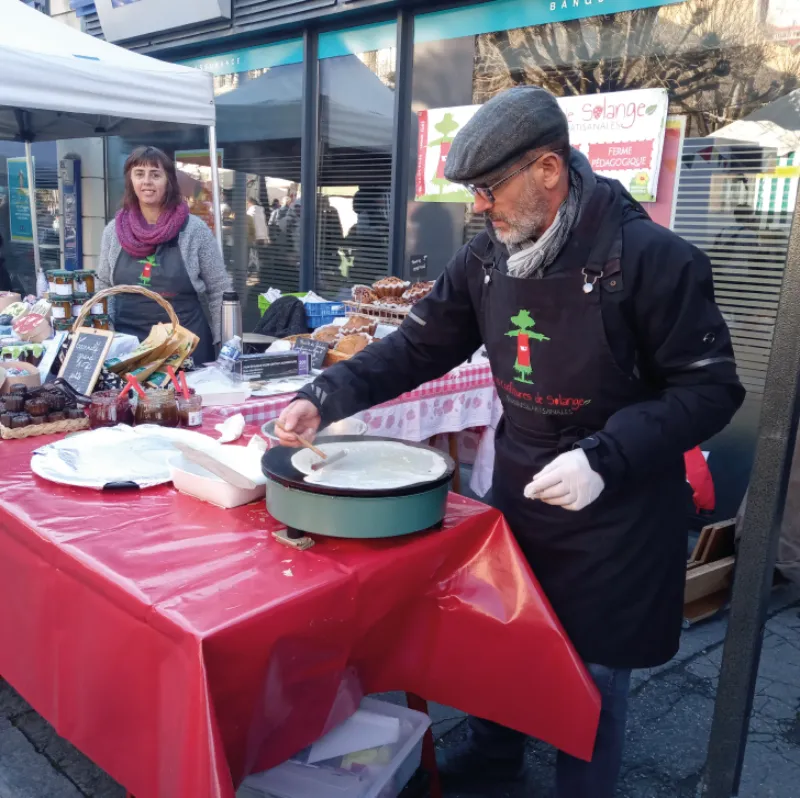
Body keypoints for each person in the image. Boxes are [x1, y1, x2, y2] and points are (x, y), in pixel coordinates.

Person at [276, 87, 745, 798]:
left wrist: (604, 457)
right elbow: (418, 346)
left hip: (614, 507)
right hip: (522, 485)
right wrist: (327, 395)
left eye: (489, 188)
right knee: (506, 637)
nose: (479, 207)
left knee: (590, 678)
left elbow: (710, 391)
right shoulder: (486, 259)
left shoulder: (653, 260)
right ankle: (495, 761)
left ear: (549, 170)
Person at [97, 146, 229, 364]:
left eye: (155, 175)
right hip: (128, 346)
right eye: (139, 174)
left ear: (168, 181)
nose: (147, 181)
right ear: (130, 180)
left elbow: (219, 289)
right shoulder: (114, 230)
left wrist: (224, 344)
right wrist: (108, 333)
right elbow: (103, 286)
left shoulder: (194, 230)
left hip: (184, 346)